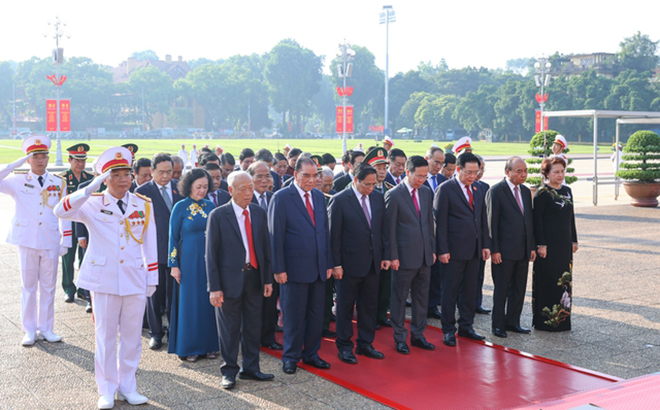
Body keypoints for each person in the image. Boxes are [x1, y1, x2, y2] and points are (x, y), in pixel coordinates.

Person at [54, 146, 158, 409]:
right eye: (116, 174)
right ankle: (107, 389)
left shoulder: (142, 204)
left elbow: (151, 241)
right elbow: (61, 211)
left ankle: (128, 386)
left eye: (127, 174)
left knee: (133, 337)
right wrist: (91, 187)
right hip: (104, 279)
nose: (124, 179)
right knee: (105, 337)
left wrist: (152, 277)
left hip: (135, 277)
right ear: (105, 178)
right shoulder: (91, 203)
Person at [0, 135, 70, 346]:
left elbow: (65, 212)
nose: (40, 160)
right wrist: (15, 164)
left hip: (50, 239)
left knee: (48, 287)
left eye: (43, 156)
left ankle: (46, 328)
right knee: (28, 286)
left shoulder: (58, 182)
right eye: (35, 156)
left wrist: (66, 240)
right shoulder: (18, 180)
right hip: (27, 239)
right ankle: (29, 329)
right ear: (28, 159)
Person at [207, 171, 274, 389]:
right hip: (228, 281)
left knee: (254, 326)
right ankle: (229, 371)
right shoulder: (218, 215)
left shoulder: (258, 212)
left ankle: (251, 368)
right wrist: (214, 287)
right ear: (230, 190)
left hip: (254, 276)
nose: (248, 193)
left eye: (251, 188)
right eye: (243, 189)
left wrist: (267, 280)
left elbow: (265, 248)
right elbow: (211, 254)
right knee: (229, 329)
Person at [269, 157, 334, 375]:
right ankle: (290, 356)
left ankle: (312, 354)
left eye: (315, 175)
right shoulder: (282, 197)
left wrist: (328, 263)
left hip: (318, 267)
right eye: (306, 175)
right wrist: (278, 268)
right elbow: (275, 236)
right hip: (293, 269)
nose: (311, 180)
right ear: (295, 174)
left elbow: (324, 232)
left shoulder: (318, 196)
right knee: (294, 316)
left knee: (316, 315)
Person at [329, 163, 388, 364]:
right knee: (345, 308)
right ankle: (345, 346)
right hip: (348, 265)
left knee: (369, 306)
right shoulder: (340, 201)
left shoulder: (378, 198)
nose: (371, 188)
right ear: (355, 180)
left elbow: (382, 231)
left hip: (373, 264)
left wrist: (385, 256)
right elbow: (333, 237)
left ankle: (365, 343)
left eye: (374, 184)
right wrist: (336, 264)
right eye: (367, 184)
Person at [435, 152, 490, 347]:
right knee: (450, 291)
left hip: (474, 250)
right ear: (458, 169)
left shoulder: (478, 188)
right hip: (453, 251)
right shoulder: (446, 189)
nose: (472, 176)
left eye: (476, 172)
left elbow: (482, 219)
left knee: (469, 290)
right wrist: (442, 249)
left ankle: (466, 326)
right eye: (469, 172)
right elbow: (440, 223)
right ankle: (448, 329)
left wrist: (485, 245)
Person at [384, 155, 436, 354]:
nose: (422, 180)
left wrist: (431, 249)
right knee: (399, 299)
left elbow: (429, 223)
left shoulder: (425, 192)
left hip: (424, 256)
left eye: (425, 176)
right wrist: (393, 256)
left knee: (421, 298)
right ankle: (399, 338)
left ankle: (418, 335)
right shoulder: (394, 195)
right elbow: (390, 231)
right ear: (408, 172)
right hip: (403, 258)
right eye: (419, 176)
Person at [167, 168, 219, 361]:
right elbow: (172, 238)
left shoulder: (211, 206)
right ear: (189, 186)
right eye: (198, 187)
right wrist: (174, 265)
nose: (202, 190)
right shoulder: (180, 207)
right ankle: (190, 347)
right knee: (190, 303)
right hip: (187, 261)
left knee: (209, 302)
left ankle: (210, 345)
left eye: (205, 187)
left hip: (209, 260)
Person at [136, 153, 184, 351]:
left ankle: (174, 330)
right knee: (154, 293)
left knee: (174, 294)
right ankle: (156, 333)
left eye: (169, 172)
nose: (166, 176)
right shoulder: (141, 192)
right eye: (161, 172)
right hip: (153, 250)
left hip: (176, 251)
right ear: (152, 171)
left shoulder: (179, 188)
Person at [486, 156, 536, 338]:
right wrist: (495, 249)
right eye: (519, 171)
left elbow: (528, 221)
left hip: (522, 250)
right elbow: (492, 222)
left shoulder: (524, 191)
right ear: (507, 172)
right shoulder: (496, 191)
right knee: (502, 289)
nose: (523, 175)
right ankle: (498, 325)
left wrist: (531, 246)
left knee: (519, 288)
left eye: (525, 171)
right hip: (504, 251)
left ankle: (513, 321)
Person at [532, 156, 578, 332]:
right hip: (548, 246)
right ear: (547, 173)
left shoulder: (567, 191)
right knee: (548, 280)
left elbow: (571, 218)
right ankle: (546, 321)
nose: (560, 175)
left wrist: (574, 239)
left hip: (564, 245)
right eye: (556, 172)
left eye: (562, 171)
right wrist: (541, 244)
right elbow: (538, 221)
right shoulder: (542, 193)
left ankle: (563, 321)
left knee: (564, 282)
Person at [59, 143, 94, 305]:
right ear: (70, 160)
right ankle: (68, 288)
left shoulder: (89, 179)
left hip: (84, 224)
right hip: (68, 223)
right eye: (77, 160)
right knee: (68, 257)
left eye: (83, 160)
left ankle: (83, 288)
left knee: (85, 256)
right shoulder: (62, 179)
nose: (80, 164)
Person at [474, 156, 491, 315]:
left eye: (482, 169)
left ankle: (477, 303)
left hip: (481, 240)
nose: (480, 172)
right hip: (465, 241)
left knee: (479, 274)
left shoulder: (485, 187)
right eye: (479, 168)